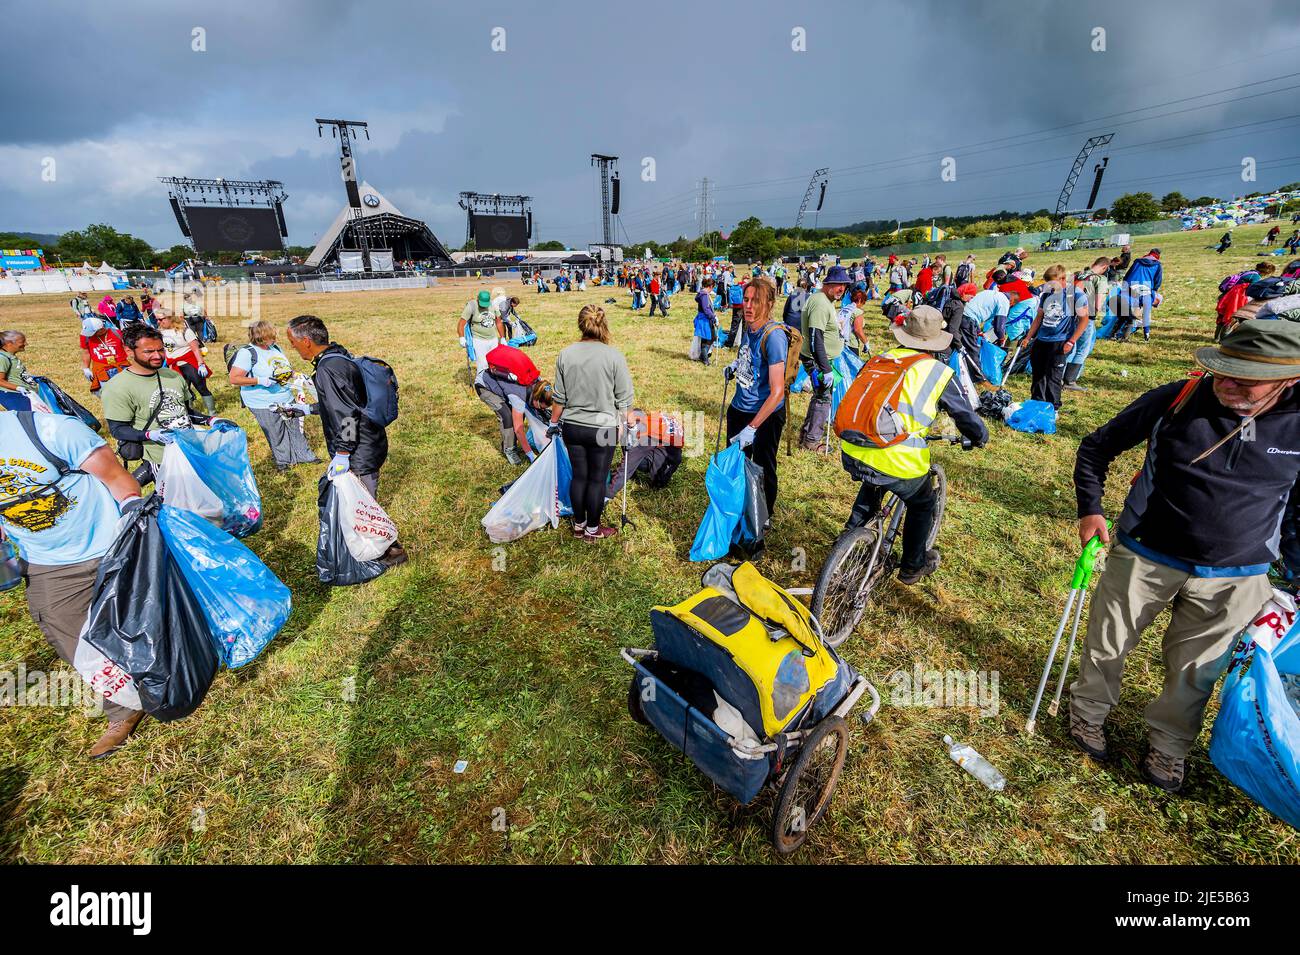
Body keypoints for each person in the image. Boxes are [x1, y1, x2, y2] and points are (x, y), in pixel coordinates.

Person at [1069, 321, 1300, 792]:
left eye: (1244, 378)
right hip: (1144, 553)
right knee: (1107, 643)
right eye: (1222, 372)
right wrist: (1090, 510)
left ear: (1288, 378)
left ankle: (1170, 747)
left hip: (1240, 573)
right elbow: (1097, 447)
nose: (1227, 385)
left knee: (1198, 668)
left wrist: (1293, 575)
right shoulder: (1177, 399)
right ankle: (1087, 714)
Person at [0, 410, 146, 757]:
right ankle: (124, 708)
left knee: (145, 611)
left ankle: (176, 666)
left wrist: (134, 521)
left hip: (110, 541)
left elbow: (118, 479)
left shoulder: (48, 429)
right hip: (48, 562)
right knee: (67, 633)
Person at [838, 305, 987, 583]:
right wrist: (979, 436)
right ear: (935, 343)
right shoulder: (937, 372)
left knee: (873, 484)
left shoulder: (881, 359)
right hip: (895, 456)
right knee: (922, 502)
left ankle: (847, 539)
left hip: (853, 446)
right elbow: (965, 415)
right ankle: (912, 566)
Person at [286, 314, 407, 567]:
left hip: (359, 449)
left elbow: (347, 414)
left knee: (364, 505)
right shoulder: (338, 356)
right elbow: (343, 402)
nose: (292, 348)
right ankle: (376, 548)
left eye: (293, 342)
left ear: (306, 341)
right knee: (362, 501)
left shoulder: (328, 369)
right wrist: (307, 410)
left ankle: (388, 552)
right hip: (368, 441)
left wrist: (343, 452)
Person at [550, 305, 634, 541]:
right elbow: (625, 399)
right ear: (604, 325)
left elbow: (559, 397)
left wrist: (553, 422)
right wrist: (630, 424)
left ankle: (579, 525)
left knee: (579, 476)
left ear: (580, 324)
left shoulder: (565, 354)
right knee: (597, 478)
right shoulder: (614, 356)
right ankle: (592, 530)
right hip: (603, 428)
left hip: (573, 427)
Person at [101, 323, 209, 484]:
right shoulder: (117, 387)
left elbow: (186, 412)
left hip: (192, 451)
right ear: (129, 351)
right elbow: (118, 430)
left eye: (160, 349)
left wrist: (210, 420)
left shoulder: (173, 376)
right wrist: (150, 435)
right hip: (162, 459)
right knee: (178, 505)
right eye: (149, 352)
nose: (158, 356)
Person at [724, 277, 789, 518]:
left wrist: (753, 427)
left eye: (756, 301)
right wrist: (735, 365)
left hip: (764, 416)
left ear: (769, 304)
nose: (748, 306)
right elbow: (750, 358)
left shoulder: (773, 336)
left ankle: (764, 515)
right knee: (737, 464)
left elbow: (777, 391)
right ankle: (741, 509)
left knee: (762, 468)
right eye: (746, 299)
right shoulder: (748, 327)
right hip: (739, 409)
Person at [228, 320, 319, 472]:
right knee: (275, 432)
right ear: (262, 336)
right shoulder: (247, 353)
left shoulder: (275, 348)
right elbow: (234, 378)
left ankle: (305, 456)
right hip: (262, 402)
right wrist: (259, 381)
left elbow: (281, 367)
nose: (275, 337)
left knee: (294, 427)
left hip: (285, 397)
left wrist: (292, 374)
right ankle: (283, 461)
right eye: (272, 334)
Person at [1021, 264, 1088, 409]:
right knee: (1038, 374)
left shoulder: (1075, 294)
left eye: (1052, 283)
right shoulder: (1046, 293)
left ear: (1063, 279)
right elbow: (1039, 317)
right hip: (1041, 340)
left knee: (1054, 377)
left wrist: (1071, 341)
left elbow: (1084, 320)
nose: (1050, 286)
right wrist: (1028, 337)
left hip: (1060, 341)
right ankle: (1036, 403)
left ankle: (1053, 407)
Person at [473, 345, 554, 465]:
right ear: (536, 399)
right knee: (507, 416)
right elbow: (519, 429)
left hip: (505, 387)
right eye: (542, 407)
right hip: (485, 386)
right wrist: (530, 455)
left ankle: (514, 442)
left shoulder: (539, 384)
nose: (542, 409)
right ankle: (509, 449)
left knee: (519, 413)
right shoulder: (518, 396)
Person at [798, 264, 850, 451]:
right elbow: (815, 338)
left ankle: (806, 436)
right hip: (819, 360)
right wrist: (825, 369)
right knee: (823, 400)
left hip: (822, 359)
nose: (842, 289)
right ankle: (812, 442)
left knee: (819, 396)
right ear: (828, 283)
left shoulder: (825, 300)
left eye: (844, 285)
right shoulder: (820, 303)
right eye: (839, 285)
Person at [1064, 257, 1111, 392]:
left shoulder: (1077, 275)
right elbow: (1098, 304)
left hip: (1069, 314)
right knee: (1082, 348)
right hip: (1085, 316)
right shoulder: (1100, 279)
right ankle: (1070, 381)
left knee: (1070, 345)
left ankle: (1059, 377)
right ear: (1105, 268)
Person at [157, 312, 215, 416]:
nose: (159, 322)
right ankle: (189, 412)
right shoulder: (160, 333)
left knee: (201, 388)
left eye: (162, 319)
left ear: (171, 318)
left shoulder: (185, 331)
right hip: (174, 365)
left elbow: (196, 349)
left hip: (190, 363)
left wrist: (201, 364)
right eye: (157, 319)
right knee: (183, 390)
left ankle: (212, 413)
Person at [1119, 248, 1164, 342]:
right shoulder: (1157, 265)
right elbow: (1157, 281)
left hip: (1132, 287)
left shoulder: (1138, 262)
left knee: (1128, 312)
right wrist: (1154, 290)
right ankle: (1146, 336)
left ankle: (1121, 334)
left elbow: (1129, 274)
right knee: (1146, 313)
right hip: (1146, 289)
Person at [458, 290, 507, 374]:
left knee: (495, 362)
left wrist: (502, 337)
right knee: (482, 364)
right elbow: (461, 323)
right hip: (479, 340)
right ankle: (482, 383)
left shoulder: (493, 305)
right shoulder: (472, 306)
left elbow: (498, 322)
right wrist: (461, 337)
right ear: (477, 299)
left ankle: (493, 382)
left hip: (493, 339)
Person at [79, 317, 129, 396]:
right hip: (102, 371)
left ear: (101, 329)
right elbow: (86, 352)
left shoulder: (116, 332)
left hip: (122, 367)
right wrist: (86, 368)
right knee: (108, 396)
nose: (91, 335)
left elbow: (129, 348)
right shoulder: (85, 336)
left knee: (129, 392)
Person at [694, 278, 718, 366]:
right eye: (713, 287)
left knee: (712, 337)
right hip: (704, 320)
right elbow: (706, 309)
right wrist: (713, 317)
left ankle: (703, 356)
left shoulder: (705, 293)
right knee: (707, 339)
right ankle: (704, 360)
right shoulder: (704, 295)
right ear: (711, 286)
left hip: (706, 319)